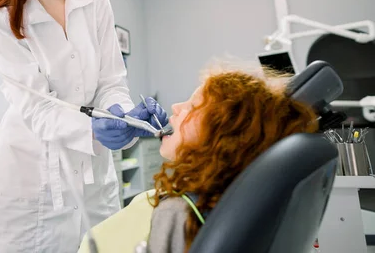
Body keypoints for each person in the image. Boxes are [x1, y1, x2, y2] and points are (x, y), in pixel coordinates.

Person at [0, 0, 166, 253]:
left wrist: (123, 114)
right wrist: (95, 128)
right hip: (31, 179)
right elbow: (38, 109)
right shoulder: (3, 23)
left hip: (94, 176)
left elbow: (112, 82)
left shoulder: (96, 4)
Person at [78, 65, 318, 253]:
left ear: (225, 138)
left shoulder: (174, 214)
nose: (175, 107)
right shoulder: (233, 203)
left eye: (192, 106)